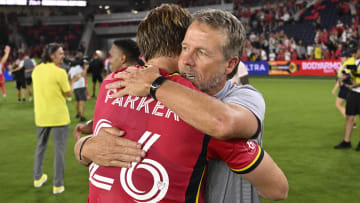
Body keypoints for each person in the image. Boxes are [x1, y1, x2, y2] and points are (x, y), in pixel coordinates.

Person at [76, 5, 287, 202]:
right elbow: (276, 188)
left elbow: (222, 121)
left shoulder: (112, 82)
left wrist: (83, 145)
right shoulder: (197, 120)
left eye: (201, 52)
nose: (188, 60)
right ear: (179, 47)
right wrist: (85, 147)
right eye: (186, 48)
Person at [72, 39, 141, 140]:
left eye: (111, 56)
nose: (110, 61)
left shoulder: (112, 81)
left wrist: (87, 126)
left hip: (119, 148)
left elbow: (104, 120)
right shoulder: (151, 79)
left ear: (122, 58)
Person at [32, 43, 72, 194]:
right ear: (52, 56)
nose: (63, 56)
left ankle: (37, 178)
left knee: (40, 147)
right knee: (59, 151)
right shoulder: (60, 73)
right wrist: (73, 81)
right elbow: (68, 94)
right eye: (60, 53)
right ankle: (58, 185)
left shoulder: (37, 70)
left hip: (41, 116)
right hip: (59, 118)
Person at [334, 41, 360, 150]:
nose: (353, 54)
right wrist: (342, 78)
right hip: (354, 92)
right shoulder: (352, 61)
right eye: (352, 53)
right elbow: (345, 73)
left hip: (357, 89)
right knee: (349, 116)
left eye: (355, 52)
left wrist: (355, 84)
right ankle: (346, 141)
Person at [331, 50, 353, 118]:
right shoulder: (349, 64)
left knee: (338, 104)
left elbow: (342, 77)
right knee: (350, 107)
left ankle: (350, 121)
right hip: (349, 87)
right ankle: (351, 121)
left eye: (342, 57)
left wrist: (335, 88)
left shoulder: (347, 65)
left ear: (347, 58)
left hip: (345, 88)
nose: (340, 58)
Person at [68, 55, 89, 121]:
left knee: (76, 100)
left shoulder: (72, 68)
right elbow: (83, 75)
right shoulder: (79, 67)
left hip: (74, 86)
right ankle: (82, 116)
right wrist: (85, 68)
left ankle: (77, 113)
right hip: (80, 86)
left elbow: (68, 75)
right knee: (82, 101)